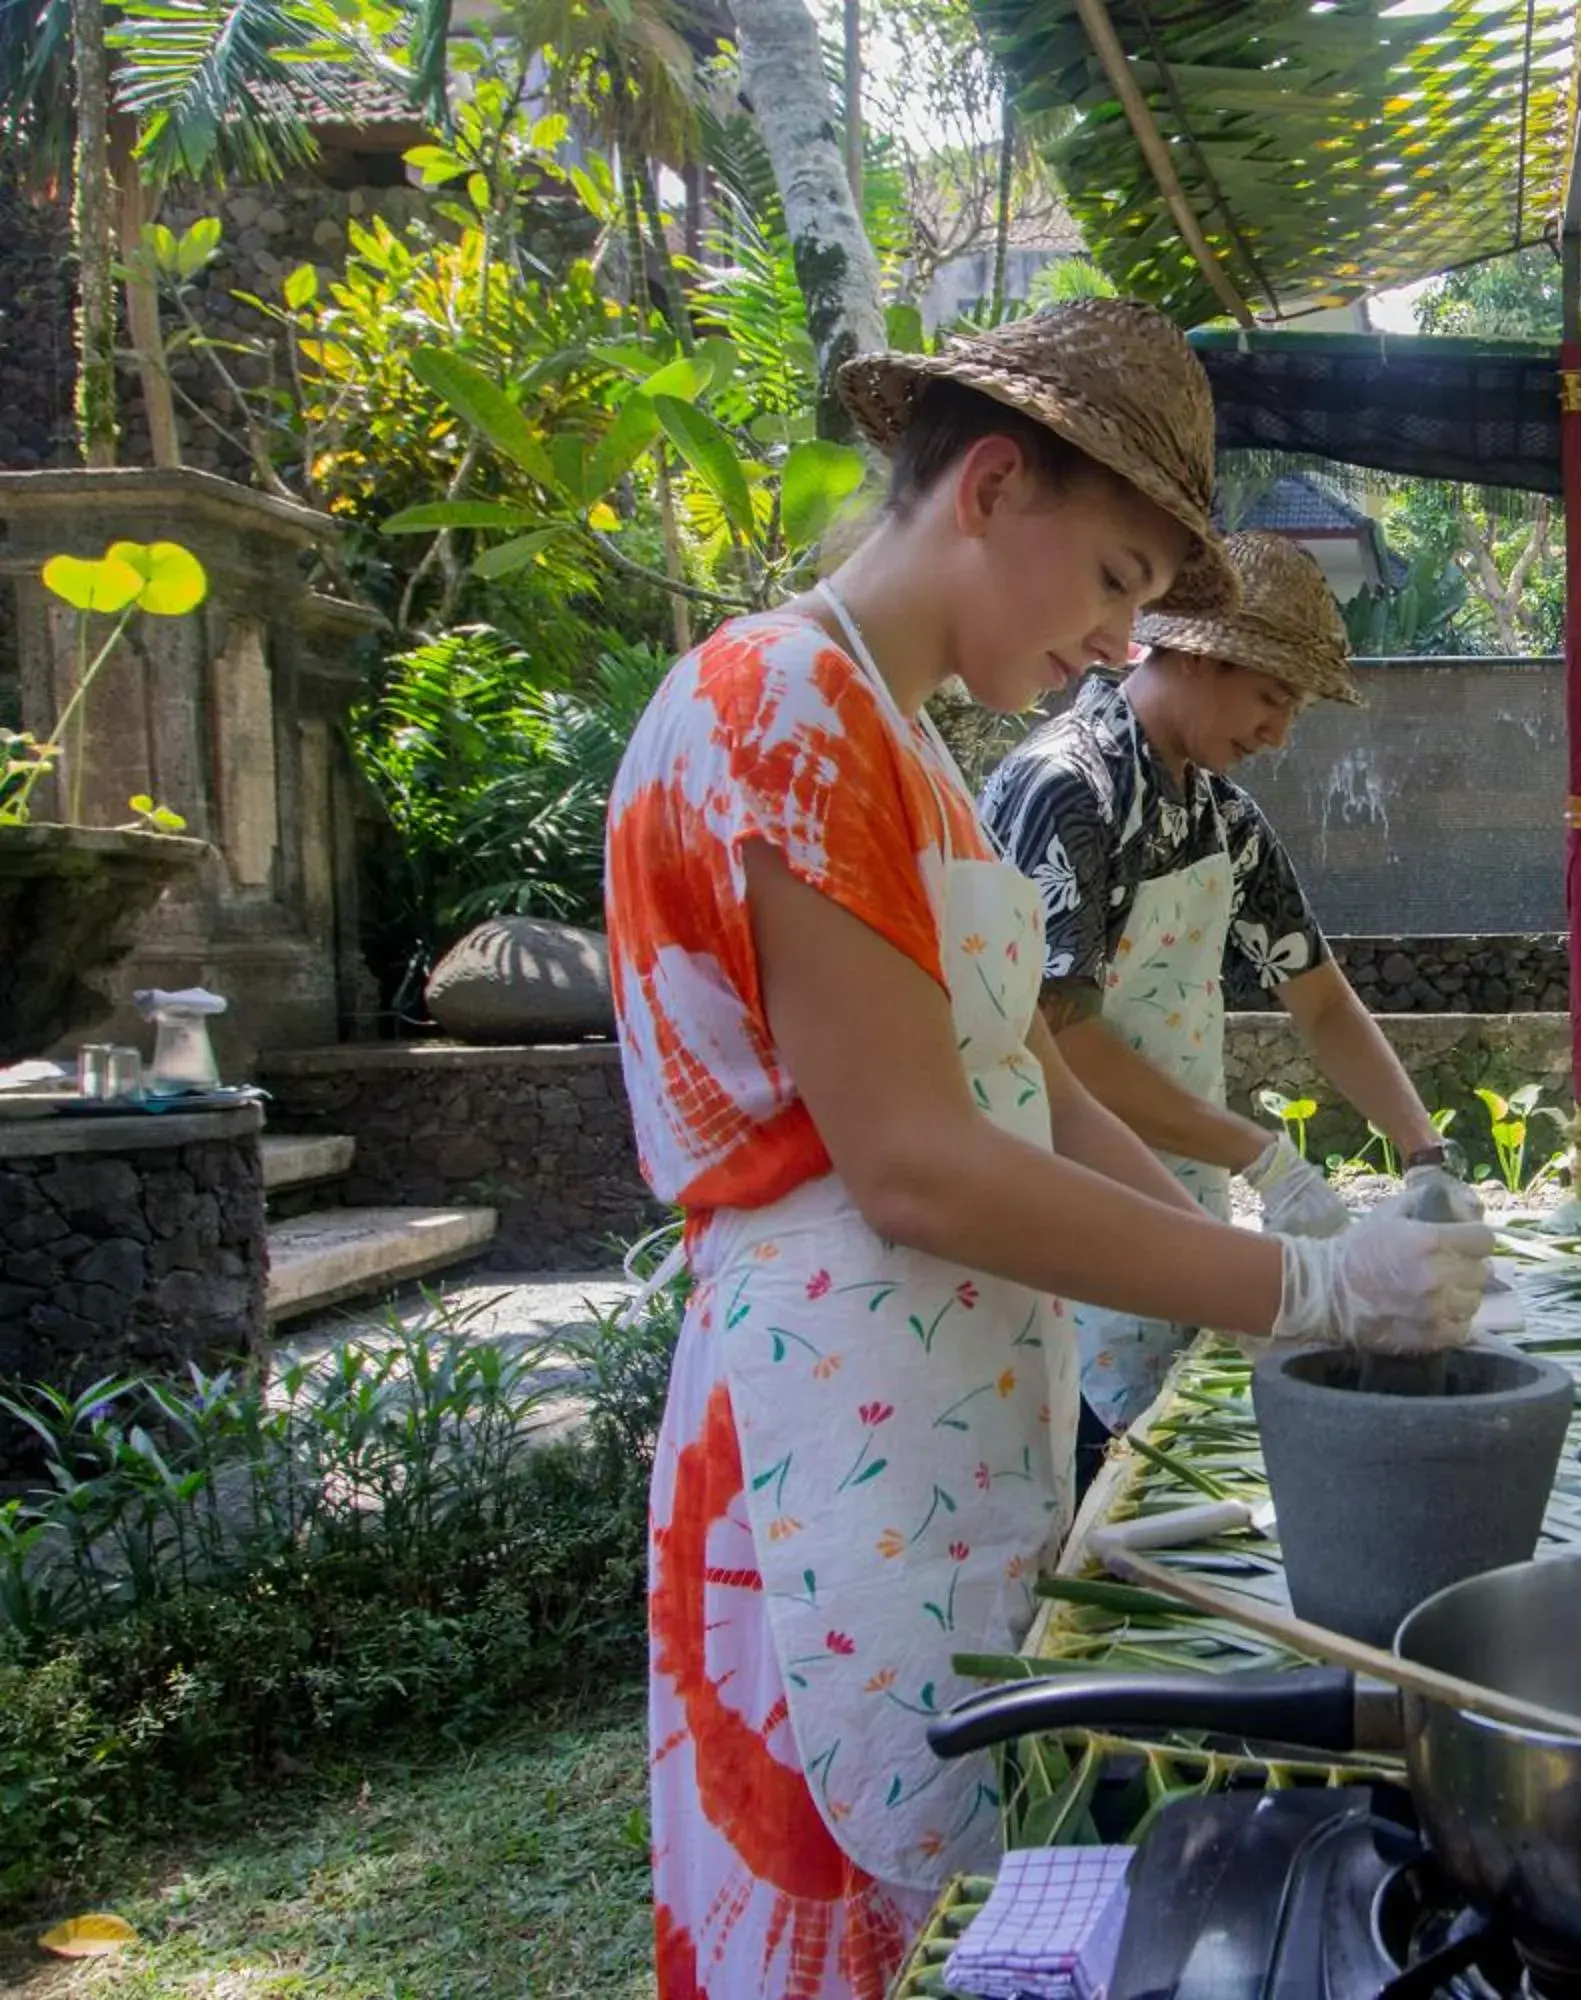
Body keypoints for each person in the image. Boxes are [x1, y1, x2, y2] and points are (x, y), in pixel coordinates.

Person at [603, 300, 1493, 2000]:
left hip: (933, 1418)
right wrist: (1312, 1281)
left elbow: (1037, 1089)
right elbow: (921, 1165)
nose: (1111, 640)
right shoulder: (777, 710)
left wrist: (1244, 1284)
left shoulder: (911, 753)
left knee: (964, 1885)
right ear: (994, 486)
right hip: (824, 1438)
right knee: (860, 1915)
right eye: (1112, 582)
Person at [980, 530, 1489, 1472]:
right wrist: (1265, 1156)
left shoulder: (1223, 818)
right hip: (1060, 1199)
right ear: (1205, 654)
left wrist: (1427, 1158)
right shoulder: (1070, 790)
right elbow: (1059, 1038)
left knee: (1161, 1466)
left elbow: (1322, 999)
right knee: (1084, 1477)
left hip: (1186, 1194)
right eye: (1273, 697)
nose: (1280, 732)